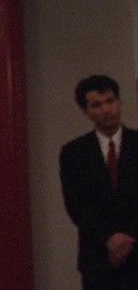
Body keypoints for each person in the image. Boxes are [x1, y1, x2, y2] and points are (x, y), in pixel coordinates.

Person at [60, 75, 138, 289]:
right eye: (97, 104)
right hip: (97, 256)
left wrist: (126, 240)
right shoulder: (73, 152)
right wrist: (108, 238)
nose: (106, 109)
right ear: (85, 111)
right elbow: (75, 204)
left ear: (119, 102)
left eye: (110, 101)